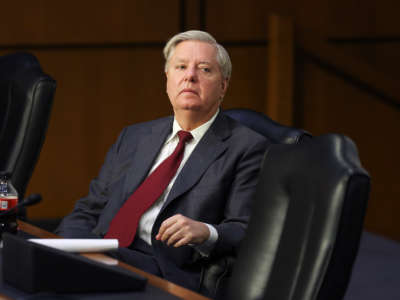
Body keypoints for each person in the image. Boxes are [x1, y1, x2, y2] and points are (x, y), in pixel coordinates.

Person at [56, 30, 270, 294]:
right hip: (100, 253)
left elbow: (247, 229)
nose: (190, 76)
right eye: (181, 67)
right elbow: (90, 208)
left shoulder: (248, 147)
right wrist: (65, 245)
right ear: (168, 79)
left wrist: (206, 231)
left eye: (204, 69)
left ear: (223, 86)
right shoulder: (134, 136)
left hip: (162, 269)